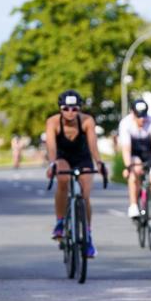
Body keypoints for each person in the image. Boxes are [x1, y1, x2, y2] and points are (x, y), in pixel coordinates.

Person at [44, 90, 104, 257]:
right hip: (62, 157)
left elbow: (93, 144)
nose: (70, 112)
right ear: (60, 109)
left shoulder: (87, 121)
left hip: (82, 158)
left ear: (80, 109)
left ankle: (88, 236)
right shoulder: (53, 122)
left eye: (74, 108)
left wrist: (99, 162)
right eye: (66, 108)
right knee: (63, 179)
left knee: (85, 195)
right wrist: (52, 163)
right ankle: (60, 222)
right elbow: (51, 146)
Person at [119, 99, 151, 234]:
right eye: (138, 116)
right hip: (134, 152)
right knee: (135, 171)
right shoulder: (125, 124)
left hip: (150, 152)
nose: (142, 119)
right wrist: (127, 166)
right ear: (132, 113)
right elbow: (126, 148)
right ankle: (134, 205)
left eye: (144, 116)